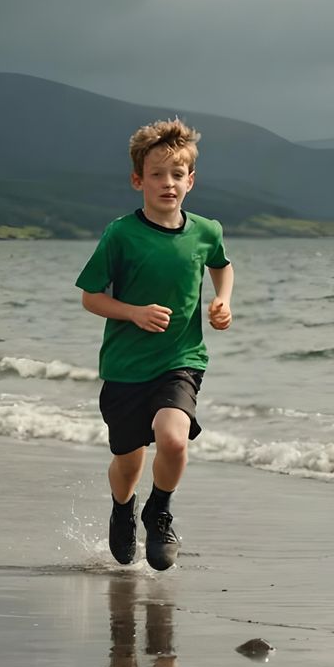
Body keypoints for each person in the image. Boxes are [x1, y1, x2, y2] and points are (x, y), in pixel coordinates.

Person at [76, 118, 233, 570]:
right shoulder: (121, 234)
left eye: (177, 175)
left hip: (180, 359)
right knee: (127, 464)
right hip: (126, 367)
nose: (168, 183)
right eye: (157, 174)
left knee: (174, 440)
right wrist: (134, 312)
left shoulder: (207, 231)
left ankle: (159, 511)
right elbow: (91, 297)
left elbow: (222, 266)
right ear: (137, 180)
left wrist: (223, 300)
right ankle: (123, 509)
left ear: (191, 180)